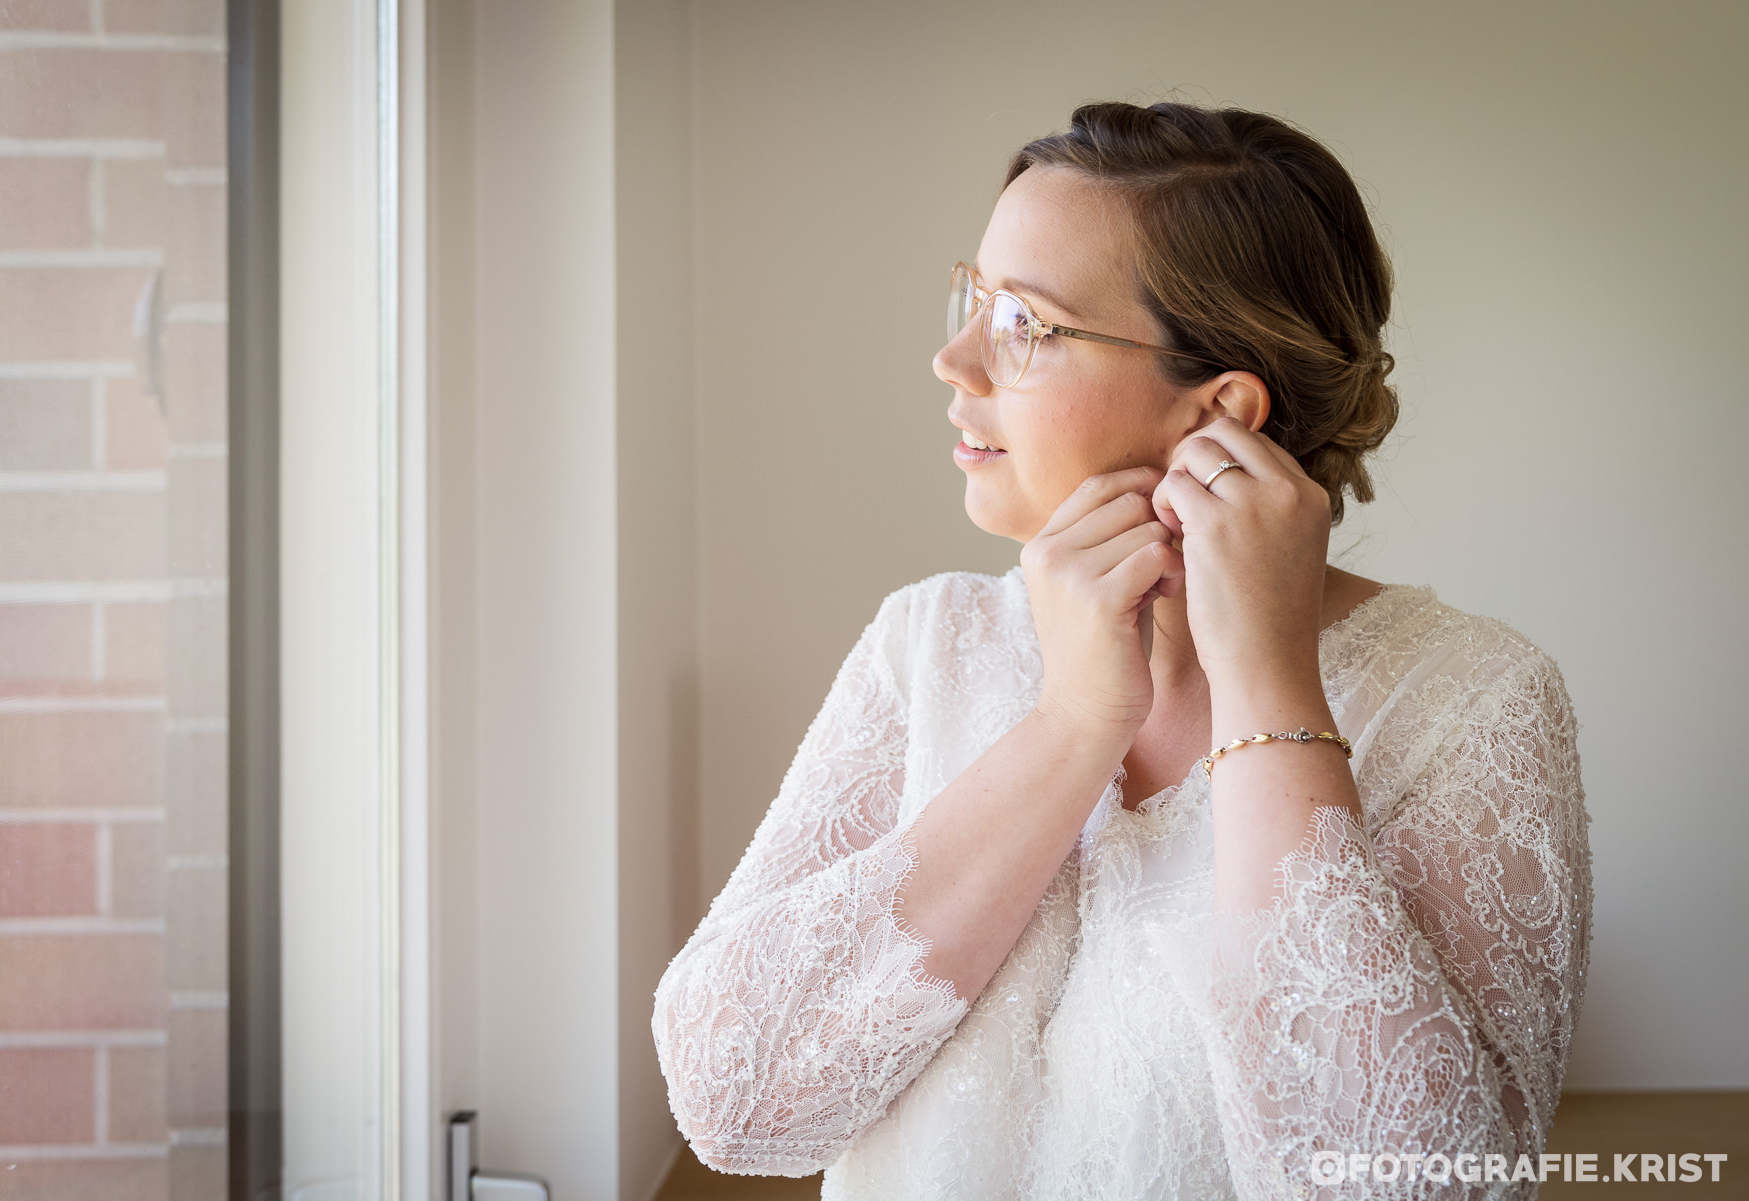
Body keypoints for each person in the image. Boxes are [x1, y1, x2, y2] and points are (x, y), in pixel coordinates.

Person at [652, 100, 1593, 1200]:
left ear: (1221, 414)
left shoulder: (1472, 700)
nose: (954, 359)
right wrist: (1069, 729)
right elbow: (734, 1100)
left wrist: (1267, 682)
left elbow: (1423, 1186)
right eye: (975, 298)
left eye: (1025, 324)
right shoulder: (931, 644)